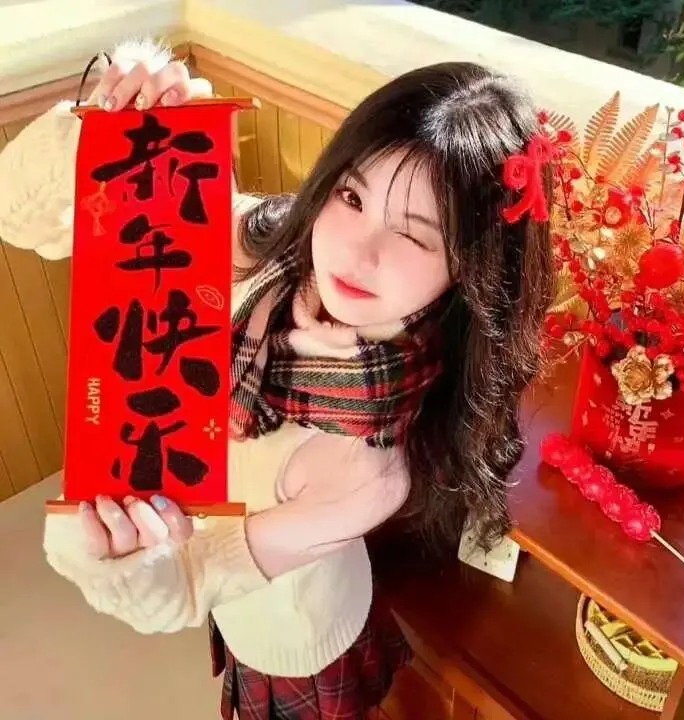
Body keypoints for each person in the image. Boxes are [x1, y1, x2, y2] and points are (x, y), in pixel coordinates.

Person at [0, 40, 554, 719]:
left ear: (470, 269)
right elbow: (20, 215)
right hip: (237, 600)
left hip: (293, 634)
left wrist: (113, 559)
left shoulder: (366, 467)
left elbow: (192, 578)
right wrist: (106, 129)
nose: (354, 251)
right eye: (351, 195)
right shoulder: (259, 243)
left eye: (414, 235)